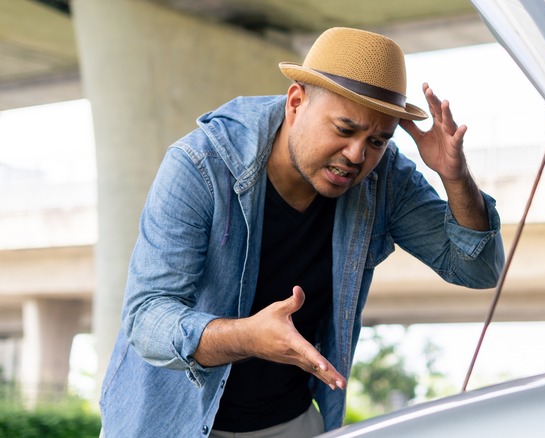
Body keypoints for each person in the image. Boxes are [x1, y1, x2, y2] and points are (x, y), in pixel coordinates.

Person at [99, 27, 504, 437]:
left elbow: (477, 271)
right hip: (170, 422)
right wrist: (248, 338)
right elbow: (146, 317)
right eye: (345, 129)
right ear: (296, 102)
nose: (357, 155)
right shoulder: (200, 164)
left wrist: (455, 179)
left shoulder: (385, 178)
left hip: (289, 422)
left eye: (378, 140)